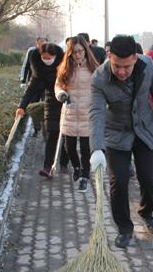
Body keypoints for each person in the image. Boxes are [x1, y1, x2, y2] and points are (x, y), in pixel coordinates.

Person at [89, 35, 153, 248]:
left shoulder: (148, 65)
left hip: (145, 130)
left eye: (126, 66)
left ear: (135, 58)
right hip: (116, 134)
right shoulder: (99, 78)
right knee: (118, 183)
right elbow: (96, 113)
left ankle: (146, 212)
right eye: (117, 65)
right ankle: (125, 228)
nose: (122, 71)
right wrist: (96, 148)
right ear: (110, 56)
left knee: (148, 179)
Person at [55, 36, 100, 192]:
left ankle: (84, 177)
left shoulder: (94, 68)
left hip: (88, 113)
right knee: (69, 148)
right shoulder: (65, 68)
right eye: (75, 52)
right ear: (70, 53)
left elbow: (101, 87)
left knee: (86, 149)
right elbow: (58, 86)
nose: (78, 55)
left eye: (81, 51)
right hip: (70, 112)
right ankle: (76, 167)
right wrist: (61, 94)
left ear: (86, 50)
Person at [16, 42, 65, 178]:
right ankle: (47, 167)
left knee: (66, 135)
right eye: (44, 57)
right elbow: (31, 90)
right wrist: (21, 107)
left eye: (50, 58)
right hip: (50, 101)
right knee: (51, 132)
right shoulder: (38, 71)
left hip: (65, 102)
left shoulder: (64, 67)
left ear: (55, 56)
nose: (47, 60)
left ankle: (64, 163)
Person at [19, 36, 47, 136]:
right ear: (36, 44)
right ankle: (36, 127)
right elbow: (26, 66)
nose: (42, 46)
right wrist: (23, 80)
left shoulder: (50, 52)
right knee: (34, 107)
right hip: (34, 84)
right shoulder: (31, 52)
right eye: (40, 44)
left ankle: (46, 129)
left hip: (46, 86)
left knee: (46, 107)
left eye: (44, 44)